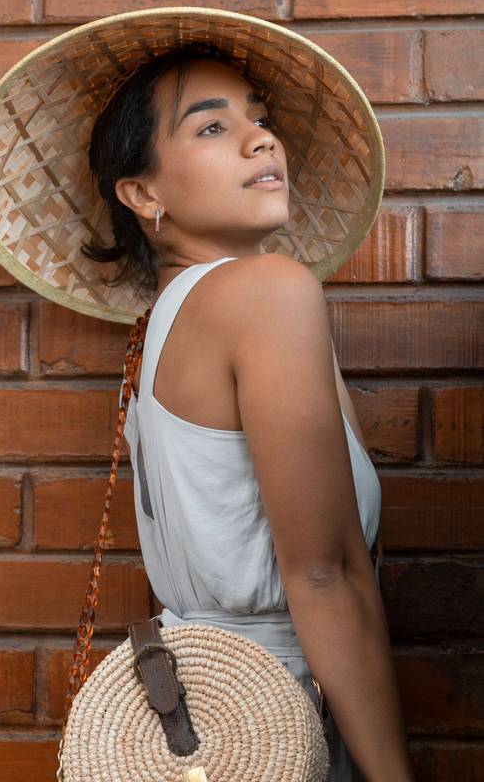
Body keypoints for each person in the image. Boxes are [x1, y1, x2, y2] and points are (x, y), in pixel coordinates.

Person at [81, 44, 416, 781]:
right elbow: (324, 578)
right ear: (142, 195)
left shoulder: (161, 328)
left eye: (259, 119)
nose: (261, 138)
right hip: (276, 723)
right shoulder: (266, 292)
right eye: (209, 127)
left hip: (192, 730)